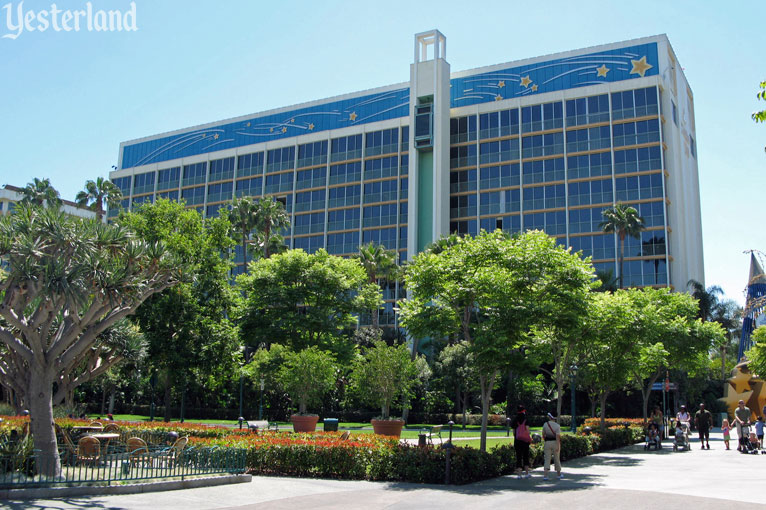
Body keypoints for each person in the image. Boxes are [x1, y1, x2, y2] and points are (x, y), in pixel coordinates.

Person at [510, 405, 532, 479]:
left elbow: (513, 432)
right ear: (524, 411)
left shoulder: (515, 419)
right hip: (525, 441)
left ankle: (519, 474)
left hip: (517, 441)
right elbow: (527, 430)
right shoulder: (526, 419)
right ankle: (526, 473)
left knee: (518, 457)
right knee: (526, 456)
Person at [542, 412, 562, 481]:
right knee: (557, 458)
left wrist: (546, 440)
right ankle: (558, 474)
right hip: (555, 442)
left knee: (547, 458)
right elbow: (558, 437)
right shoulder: (557, 426)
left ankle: (545, 475)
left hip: (547, 442)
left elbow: (543, 435)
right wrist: (558, 446)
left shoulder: (545, 424)